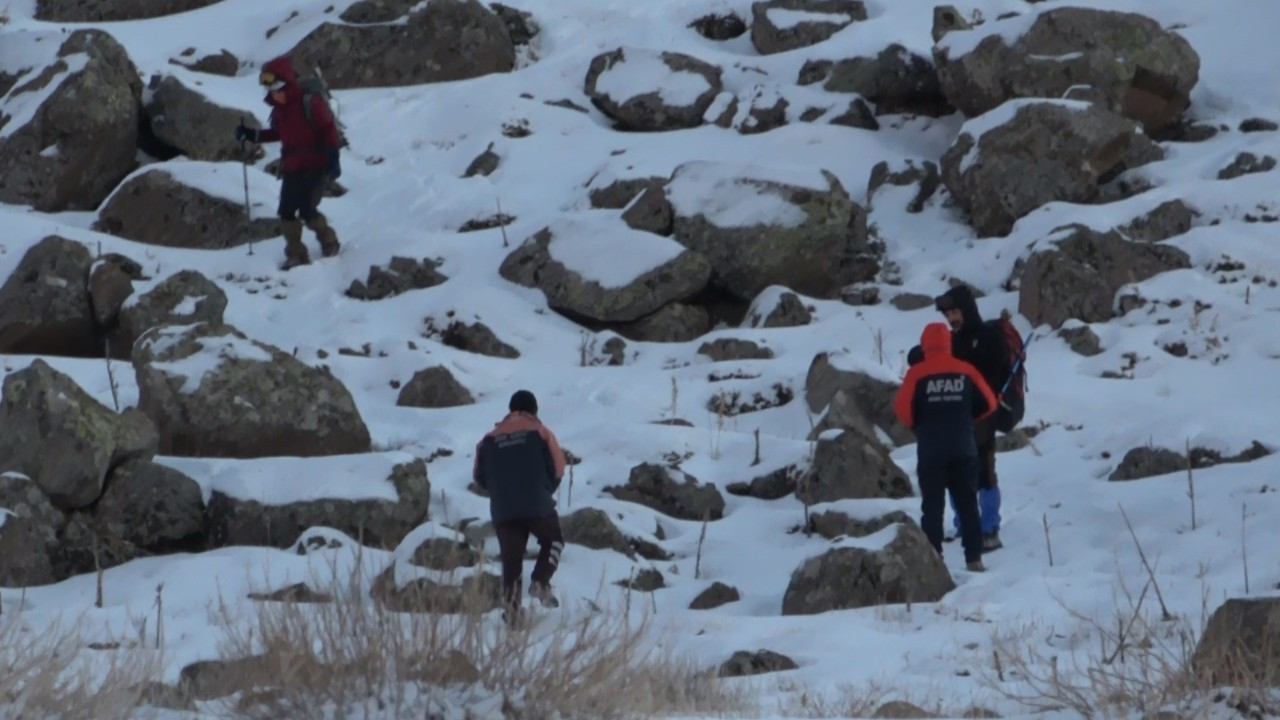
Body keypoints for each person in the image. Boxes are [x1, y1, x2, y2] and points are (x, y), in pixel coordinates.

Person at [894, 323, 997, 572]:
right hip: (964, 448)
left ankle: (934, 559)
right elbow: (989, 403)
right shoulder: (966, 371)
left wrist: (919, 425)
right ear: (948, 343)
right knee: (968, 503)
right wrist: (967, 419)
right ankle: (974, 558)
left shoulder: (916, 374)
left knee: (932, 506)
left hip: (931, 450)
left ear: (925, 344)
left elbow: (902, 411)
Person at [235, 56, 342, 270]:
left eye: (274, 88)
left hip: (317, 162)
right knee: (286, 211)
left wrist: (333, 157)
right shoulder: (280, 109)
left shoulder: (309, 101)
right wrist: (251, 134)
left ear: (285, 84)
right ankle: (296, 254)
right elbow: (278, 133)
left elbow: (328, 128)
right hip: (293, 165)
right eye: (269, 90)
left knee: (307, 209)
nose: (272, 94)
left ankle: (329, 241)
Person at [473, 390, 566, 622]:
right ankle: (540, 582)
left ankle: (513, 612)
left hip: (503, 509)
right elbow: (558, 467)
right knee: (554, 540)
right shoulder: (540, 432)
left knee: (511, 560)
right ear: (534, 409)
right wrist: (545, 489)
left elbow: (479, 476)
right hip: (537, 502)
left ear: (510, 409)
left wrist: (501, 491)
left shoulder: (488, 440)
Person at [935, 285, 1009, 552]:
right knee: (956, 473)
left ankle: (989, 529)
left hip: (984, 415)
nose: (951, 318)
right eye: (948, 314)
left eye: (955, 311)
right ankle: (964, 525)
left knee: (984, 472)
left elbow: (994, 376)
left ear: (967, 309)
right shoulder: (949, 342)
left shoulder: (989, 337)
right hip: (956, 418)